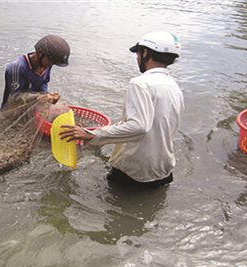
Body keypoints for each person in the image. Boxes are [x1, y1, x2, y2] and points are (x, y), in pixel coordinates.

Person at [60, 32, 184, 188]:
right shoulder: (174, 86)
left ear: (146, 53)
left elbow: (139, 126)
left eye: (138, 53)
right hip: (163, 169)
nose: (137, 58)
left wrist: (91, 134)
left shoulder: (140, 83)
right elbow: (156, 125)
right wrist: (97, 138)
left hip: (135, 171)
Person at [0, 34, 71, 110]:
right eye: (51, 61)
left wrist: (46, 96)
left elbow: (44, 82)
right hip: (12, 110)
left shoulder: (46, 65)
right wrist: (38, 97)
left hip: (32, 106)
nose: (51, 65)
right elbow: (14, 98)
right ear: (40, 52)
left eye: (53, 63)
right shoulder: (17, 68)